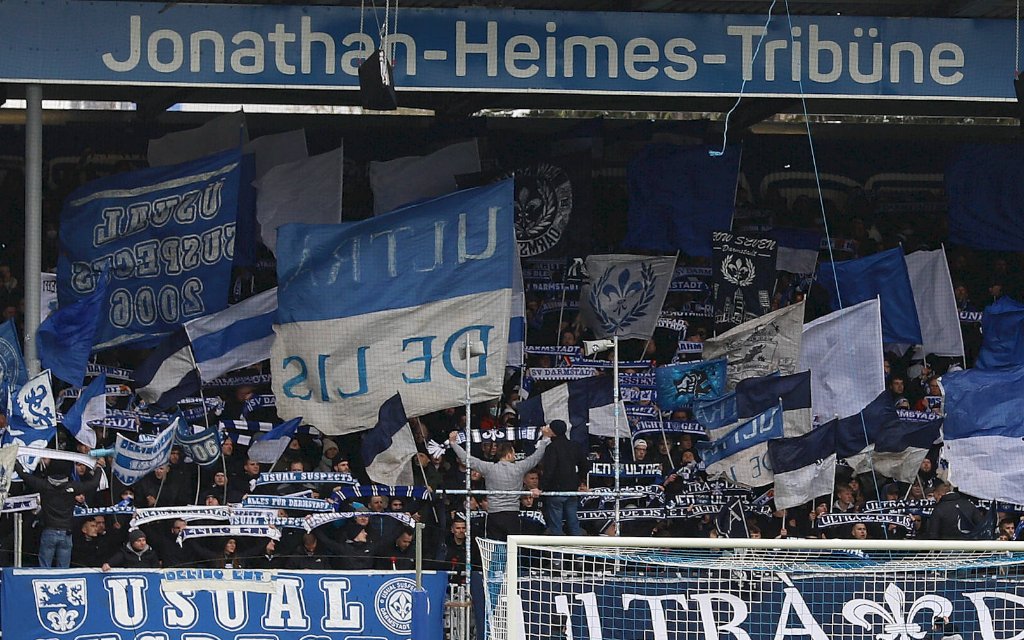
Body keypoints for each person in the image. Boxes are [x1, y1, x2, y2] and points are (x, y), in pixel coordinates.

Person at [449, 428, 552, 541]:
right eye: (513, 453)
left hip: (494, 514)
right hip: (512, 515)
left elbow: (467, 460)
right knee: (513, 549)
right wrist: (545, 439)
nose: (515, 456)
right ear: (508, 455)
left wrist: (453, 443)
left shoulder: (489, 468)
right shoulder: (519, 468)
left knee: (494, 547)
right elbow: (535, 458)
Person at [19, 459, 103, 568]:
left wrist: (15, 461)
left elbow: (24, 475)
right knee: (63, 570)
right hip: (66, 533)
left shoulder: (43, 485)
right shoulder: (73, 486)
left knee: (44, 569)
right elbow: (93, 483)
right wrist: (99, 468)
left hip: (49, 531)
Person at [540, 420, 589, 536]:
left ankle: (558, 553)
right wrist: (579, 480)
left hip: (556, 491)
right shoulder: (574, 446)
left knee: (556, 525)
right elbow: (585, 465)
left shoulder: (552, 448)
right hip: (572, 490)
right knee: (573, 523)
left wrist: (542, 487)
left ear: (553, 432)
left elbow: (549, 470)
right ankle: (577, 553)